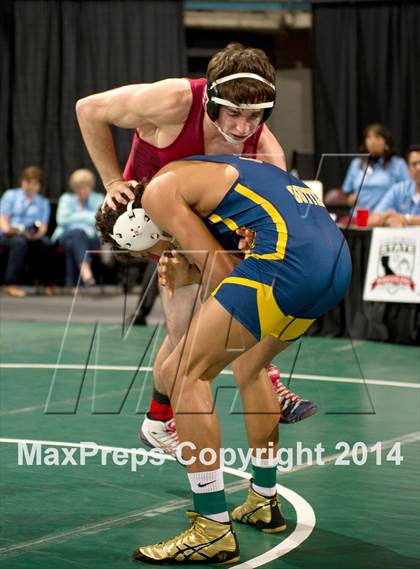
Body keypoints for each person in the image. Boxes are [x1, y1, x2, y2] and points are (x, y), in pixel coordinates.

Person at [96, 155, 352, 564]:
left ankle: (211, 530)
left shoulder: (162, 193)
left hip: (288, 261)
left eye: (160, 244)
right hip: (335, 264)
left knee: (185, 374)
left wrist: (189, 274)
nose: (168, 248)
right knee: (251, 368)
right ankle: (263, 502)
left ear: (141, 226)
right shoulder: (202, 170)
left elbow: (220, 273)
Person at [76, 42, 316, 453]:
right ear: (210, 99)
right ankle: (264, 380)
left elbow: (285, 211)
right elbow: (88, 109)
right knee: (199, 325)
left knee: (194, 331)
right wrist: (113, 180)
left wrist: (256, 234)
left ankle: (158, 418)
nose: (242, 127)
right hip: (157, 220)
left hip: (207, 222)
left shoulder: (264, 144)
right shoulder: (172, 101)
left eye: (254, 116)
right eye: (234, 114)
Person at [0, 166, 54, 297]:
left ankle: (46, 284)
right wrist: (11, 229)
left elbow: (43, 228)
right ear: (22, 182)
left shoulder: (43, 202)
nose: (29, 187)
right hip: (10, 235)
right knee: (19, 243)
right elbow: (4, 222)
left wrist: (36, 235)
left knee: (46, 243)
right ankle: (10, 284)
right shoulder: (11, 195)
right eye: (27, 183)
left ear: (39, 186)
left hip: (31, 236)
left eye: (34, 184)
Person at [52, 169, 103, 289]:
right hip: (65, 235)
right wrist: (87, 216)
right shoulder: (66, 198)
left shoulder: (98, 198)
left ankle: (72, 284)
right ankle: (86, 273)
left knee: (72, 241)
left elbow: (100, 219)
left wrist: (75, 217)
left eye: (85, 187)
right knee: (76, 234)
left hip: (91, 238)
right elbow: (62, 220)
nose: (81, 191)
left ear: (91, 186)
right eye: (78, 188)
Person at [343, 123, 410, 212]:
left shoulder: (398, 164)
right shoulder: (356, 164)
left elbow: (408, 190)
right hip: (359, 216)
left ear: (386, 143)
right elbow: (347, 191)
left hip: (386, 218)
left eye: (377, 137)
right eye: (369, 137)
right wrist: (350, 198)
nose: (372, 141)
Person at [368, 144, 420, 227]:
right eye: (414, 164)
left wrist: (405, 219)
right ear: (408, 169)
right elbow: (372, 220)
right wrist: (388, 220)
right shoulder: (398, 190)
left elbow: (402, 219)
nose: (418, 168)